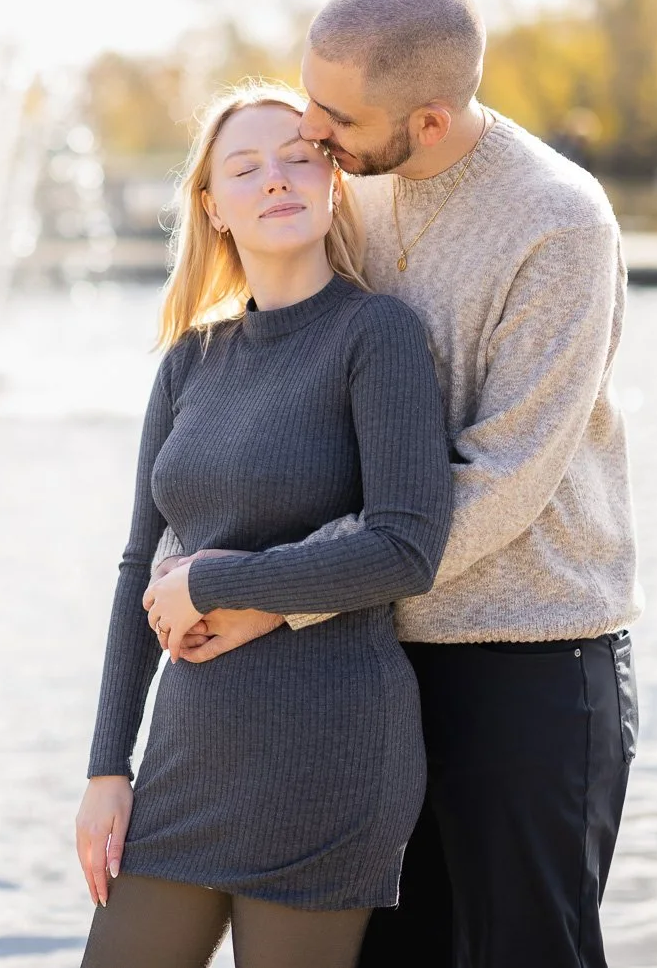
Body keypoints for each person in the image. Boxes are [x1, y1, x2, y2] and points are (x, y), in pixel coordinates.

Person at [159, 0, 642, 968]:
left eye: (334, 116)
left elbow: (501, 481)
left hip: (526, 657)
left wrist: (271, 595)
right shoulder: (355, 184)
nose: (309, 133)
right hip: (367, 668)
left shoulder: (560, 224)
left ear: (426, 121)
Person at [75, 81, 455, 968]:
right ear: (213, 207)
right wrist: (107, 768)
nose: (276, 179)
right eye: (245, 168)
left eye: (299, 157)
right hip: (187, 755)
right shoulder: (190, 360)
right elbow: (139, 564)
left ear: (333, 182)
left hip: (327, 750)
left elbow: (407, 545)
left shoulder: (378, 335)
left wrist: (219, 582)